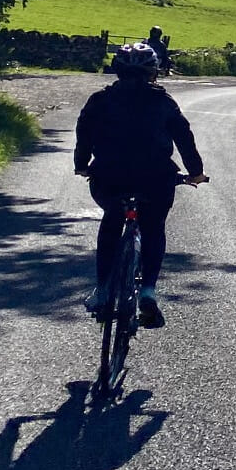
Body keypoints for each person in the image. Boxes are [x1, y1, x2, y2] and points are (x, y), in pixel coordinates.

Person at [72, 42, 206, 329]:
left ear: (117, 70)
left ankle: (103, 290)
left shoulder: (99, 100)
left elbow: (83, 132)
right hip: (155, 178)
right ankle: (147, 292)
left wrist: (82, 164)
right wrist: (195, 172)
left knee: (111, 219)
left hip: (109, 176)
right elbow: (184, 138)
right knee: (153, 227)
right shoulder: (164, 102)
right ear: (153, 72)